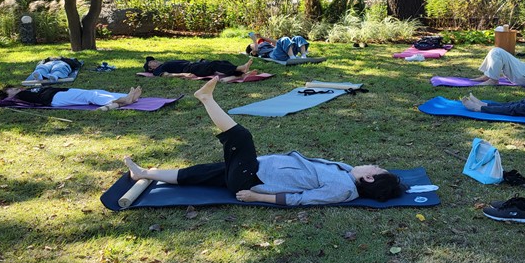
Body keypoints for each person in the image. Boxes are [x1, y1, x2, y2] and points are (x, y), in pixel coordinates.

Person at [123, 77, 405, 206]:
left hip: (250, 179)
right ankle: (144, 173)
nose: (371, 163)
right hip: (257, 168)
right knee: (200, 173)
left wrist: (258, 197)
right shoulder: (346, 172)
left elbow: (299, 199)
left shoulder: (342, 189)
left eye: (375, 167)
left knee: (241, 136)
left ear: (369, 178)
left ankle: (206, 98)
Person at [0, 85, 142, 111]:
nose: (17, 90)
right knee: (89, 96)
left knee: (95, 91)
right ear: (9, 95)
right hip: (54, 98)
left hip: (59, 93)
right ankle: (121, 100)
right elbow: (0, 102)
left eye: (15, 88)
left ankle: (126, 97)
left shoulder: (24, 92)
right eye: (13, 91)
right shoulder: (20, 96)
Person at [144, 57, 255, 80]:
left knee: (222, 62)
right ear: (150, 68)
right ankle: (241, 68)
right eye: (151, 62)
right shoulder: (158, 70)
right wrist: (183, 75)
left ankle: (240, 73)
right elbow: (166, 75)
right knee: (214, 64)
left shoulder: (165, 63)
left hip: (194, 65)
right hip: (191, 69)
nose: (154, 61)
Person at [245, 32, 309, 62]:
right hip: (276, 54)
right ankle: (292, 58)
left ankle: (303, 56)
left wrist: (261, 37)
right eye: (253, 45)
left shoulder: (263, 44)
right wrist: (254, 40)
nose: (255, 44)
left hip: (283, 51)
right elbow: (256, 50)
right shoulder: (255, 52)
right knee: (284, 39)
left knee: (298, 38)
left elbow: (276, 42)